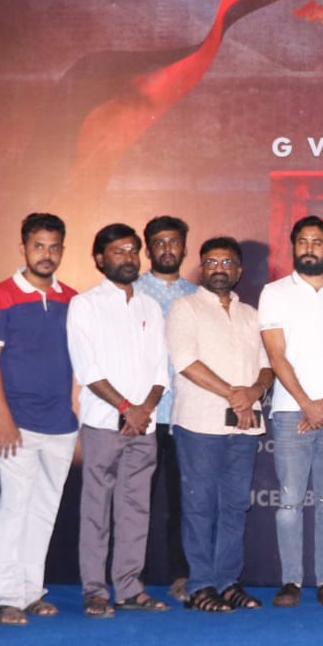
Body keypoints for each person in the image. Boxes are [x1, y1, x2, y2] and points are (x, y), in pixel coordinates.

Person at [67, 223, 171, 618]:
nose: (128, 258)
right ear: (99, 259)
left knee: (136, 509)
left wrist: (144, 410)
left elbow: (161, 368)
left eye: (132, 251)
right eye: (118, 251)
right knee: (96, 510)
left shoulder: (149, 306)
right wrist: (127, 408)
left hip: (144, 425)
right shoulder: (85, 305)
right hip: (104, 424)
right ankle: (95, 591)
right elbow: (87, 369)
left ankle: (129, 588)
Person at [0, 213, 78, 626]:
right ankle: (7, 598)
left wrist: (73, 411)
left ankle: (32, 592)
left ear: (62, 250)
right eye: (38, 246)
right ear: (23, 248)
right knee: (15, 507)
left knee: (44, 510)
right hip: (15, 422)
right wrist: (4, 418)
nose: (46, 254)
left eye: (54, 247)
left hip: (60, 424)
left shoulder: (72, 299)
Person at [168, 237, 274, 612]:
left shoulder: (251, 314)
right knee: (200, 506)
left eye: (227, 262)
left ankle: (228, 582)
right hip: (199, 422)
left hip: (244, 424)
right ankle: (200, 584)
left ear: (239, 270)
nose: (219, 269)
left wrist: (255, 391)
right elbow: (185, 361)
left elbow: (267, 365)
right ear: (202, 268)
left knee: (234, 506)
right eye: (211, 262)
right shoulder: (185, 308)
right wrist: (233, 394)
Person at [259, 216, 323, 608]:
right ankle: (291, 581)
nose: (310, 248)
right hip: (290, 412)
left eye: (318, 242)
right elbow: (276, 355)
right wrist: (307, 404)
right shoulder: (274, 293)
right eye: (303, 242)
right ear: (293, 246)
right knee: (290, 502)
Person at [134, 215, 199, 601]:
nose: (167, 249)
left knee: (183, 502)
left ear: (184, 247)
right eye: (159, 242)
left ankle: (181, 575)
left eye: (173, 241)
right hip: (142, 415)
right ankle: (131, 578)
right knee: (136, 502)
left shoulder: (197, 296)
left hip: (186, 414)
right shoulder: (133, 292)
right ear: (148, 249)